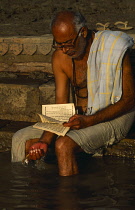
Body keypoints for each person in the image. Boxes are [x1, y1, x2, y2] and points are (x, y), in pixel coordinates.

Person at [12, 10, 135, 176]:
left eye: (68, 44)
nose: (64, 50)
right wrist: (44, 140)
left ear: (82, 32)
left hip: (117, 116)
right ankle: (29, 194)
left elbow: (129, 100)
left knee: (64, 144)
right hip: (81, 118)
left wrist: (91, 120)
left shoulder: (115, 47)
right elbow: (61, 106)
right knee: (20, 138)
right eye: (58, 44)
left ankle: (68, 197)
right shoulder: (61, 57)